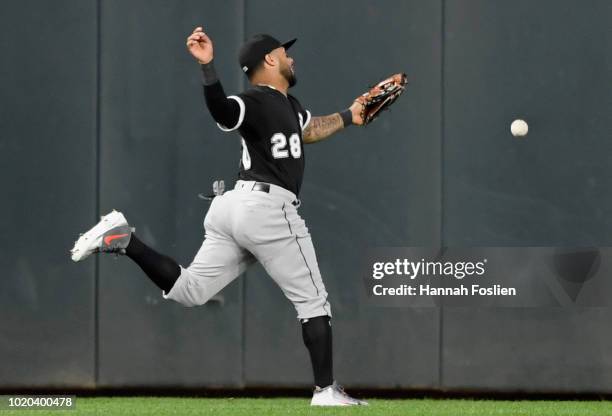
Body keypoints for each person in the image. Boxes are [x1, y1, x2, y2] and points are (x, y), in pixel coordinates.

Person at [71, 26, 367, 406]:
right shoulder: (255, 100)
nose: (292, 59)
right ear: (270, 60)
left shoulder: (289, 106)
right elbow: (224, 111)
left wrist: (350, 115)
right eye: (285, 53)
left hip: (232, 207)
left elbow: (309, 130)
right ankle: (325, 392)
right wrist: (208, 68)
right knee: (314, 303)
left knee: (192, 291)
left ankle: (124, 239)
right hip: (267, 209)